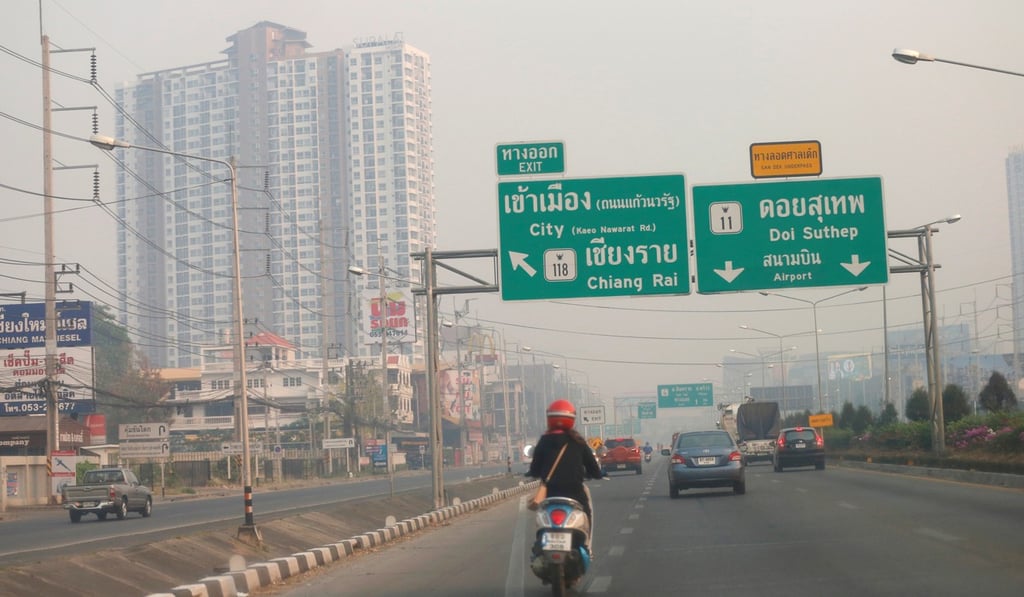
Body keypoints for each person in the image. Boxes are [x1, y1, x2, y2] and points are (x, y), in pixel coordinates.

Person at [527, 399, 604, 525]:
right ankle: (585, 537)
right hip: (575, 492)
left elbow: (535, 470)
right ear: (571, 419)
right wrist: (597, 474)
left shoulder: (544, 441)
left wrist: (534, 473)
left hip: (550, 493)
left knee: (541, 520)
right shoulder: (578, 442)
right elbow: (593, 467)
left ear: (549, 419)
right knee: (586, 513)